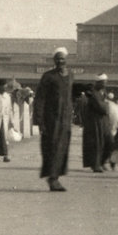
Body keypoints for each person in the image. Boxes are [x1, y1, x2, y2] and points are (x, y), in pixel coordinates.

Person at [33, 47, 73, 191]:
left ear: (66, 60)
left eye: (62, 58)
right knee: (52, 147)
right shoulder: (48, 76)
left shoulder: (70, 75)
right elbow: (40, 99)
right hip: (51, 119)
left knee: (62, 148)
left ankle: (56, 177)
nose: (60, 61)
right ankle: (53, 178)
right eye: (58, 58)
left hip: (65, 120)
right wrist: (39, 121)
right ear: (54, 60)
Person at [81, 74, 112, 172]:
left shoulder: (103, 92)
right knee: (97, 143)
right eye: (103, 82)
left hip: (104, 122)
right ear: (98, 83)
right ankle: (95, 165)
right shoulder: (93, 93)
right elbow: (102, 108)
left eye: (106, 82)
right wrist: (107, 104)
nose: (105, 84)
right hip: (95, 122)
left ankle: (102, 162)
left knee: (109, 142)